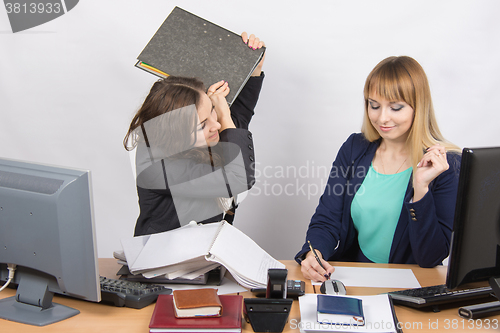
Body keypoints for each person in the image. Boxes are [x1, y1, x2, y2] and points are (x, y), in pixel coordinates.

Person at [295, 56, 462, 282]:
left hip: (411, 287)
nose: (382, 117)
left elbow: (431, 257)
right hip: (355, 278)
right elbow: (327, 218)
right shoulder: (354, 148)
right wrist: (313, 253)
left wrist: (421, 189)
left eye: (395, 107)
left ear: (418, 107)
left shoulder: (445, 165)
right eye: (374, 105)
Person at [124, 33, 265, 236]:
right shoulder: (157, 166)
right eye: (202, 125)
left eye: (212, 111)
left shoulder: (198, 138)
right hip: (164, 261)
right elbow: (237, 177)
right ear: (176, 134)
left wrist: (253, 69)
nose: (216, 125)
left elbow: (237, 123)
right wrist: (223, 113)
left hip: (202, 255)